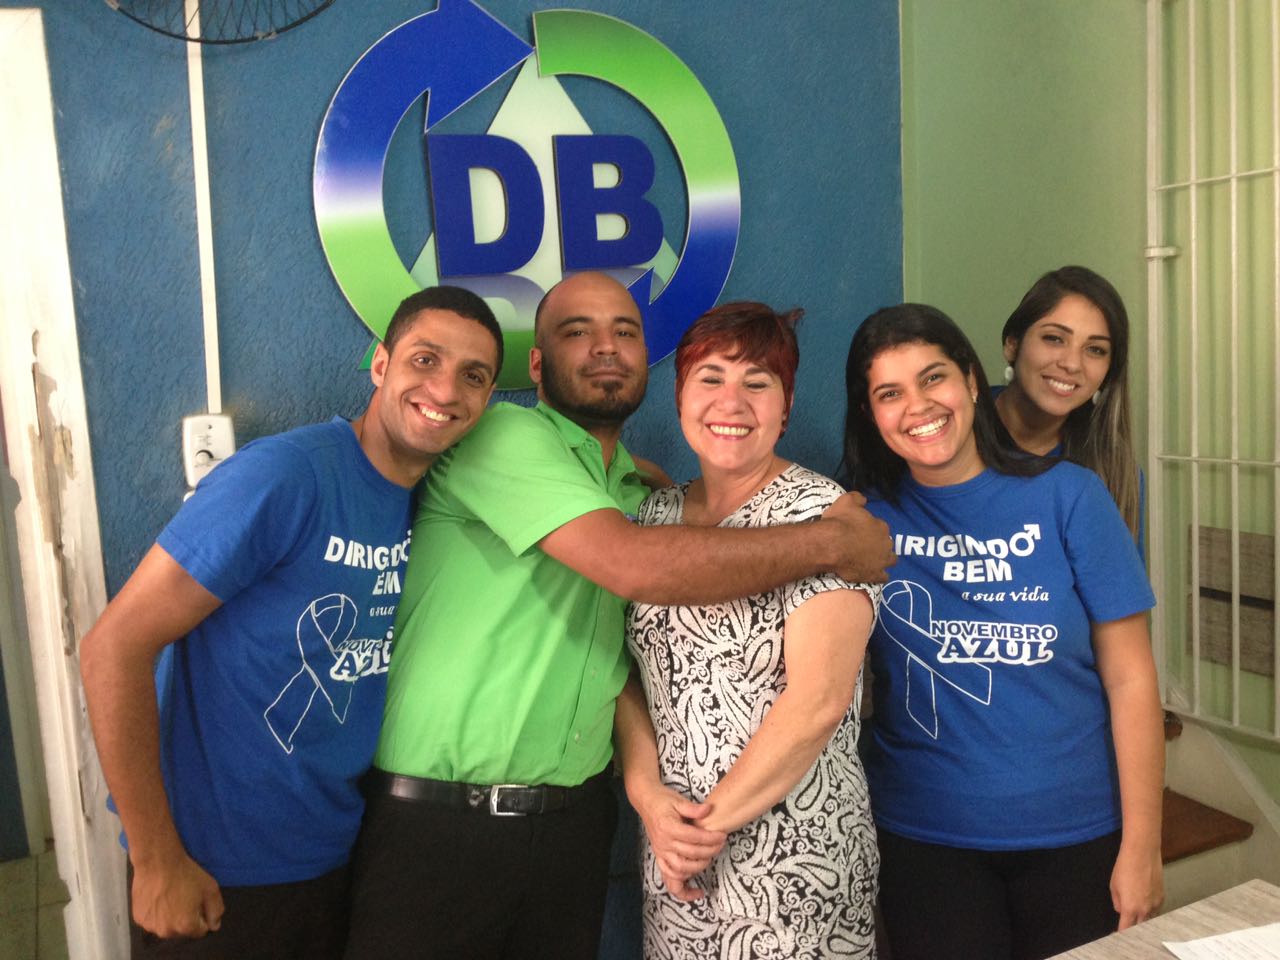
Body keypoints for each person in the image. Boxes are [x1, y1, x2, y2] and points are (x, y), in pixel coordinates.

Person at [342, 272, 895, 960]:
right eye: (577, 331)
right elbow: (634, 566)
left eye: (625, 331)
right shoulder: (504, 437)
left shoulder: (638, 495)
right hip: (445, 826)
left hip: (640, 841)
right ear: (537, 365)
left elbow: (802, 699)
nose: (605, 346)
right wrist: (832, 544)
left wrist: (681, 821)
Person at [78, 286, 505, 959]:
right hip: (216, 869)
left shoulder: (430, 498)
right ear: (380, 364)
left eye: (473, 376)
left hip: (333, 854)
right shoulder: (286, 476)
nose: (445, 389)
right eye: (425, 359)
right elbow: (114, 646)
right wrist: (157, 861)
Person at [843, 303, 1164, 960]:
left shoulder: (1071, 496)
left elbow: (1132, 678)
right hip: (925, 838)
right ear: (871, 414)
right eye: (889, 393)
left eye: (933, 378)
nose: (917, 406)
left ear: (970, 380)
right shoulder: (861, 520)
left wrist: (1144, 845)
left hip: (1076, 831)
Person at [616, 302, 880, 959]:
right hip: (673, 861)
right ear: (680, 398)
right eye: (709, 378)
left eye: (757, 382)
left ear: (785, 408)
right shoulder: (651, 517)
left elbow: (818, 703)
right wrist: (648, 797)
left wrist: (704, 829)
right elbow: (626, 676)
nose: (730, 401)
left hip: (796, 869)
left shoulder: (827, 517)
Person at [995, 266, 1142, 541]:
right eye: (1054, 338)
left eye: (1095, 350)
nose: (1072, 364)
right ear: (1012, 344)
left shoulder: (1113, 470)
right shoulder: (950, 429)